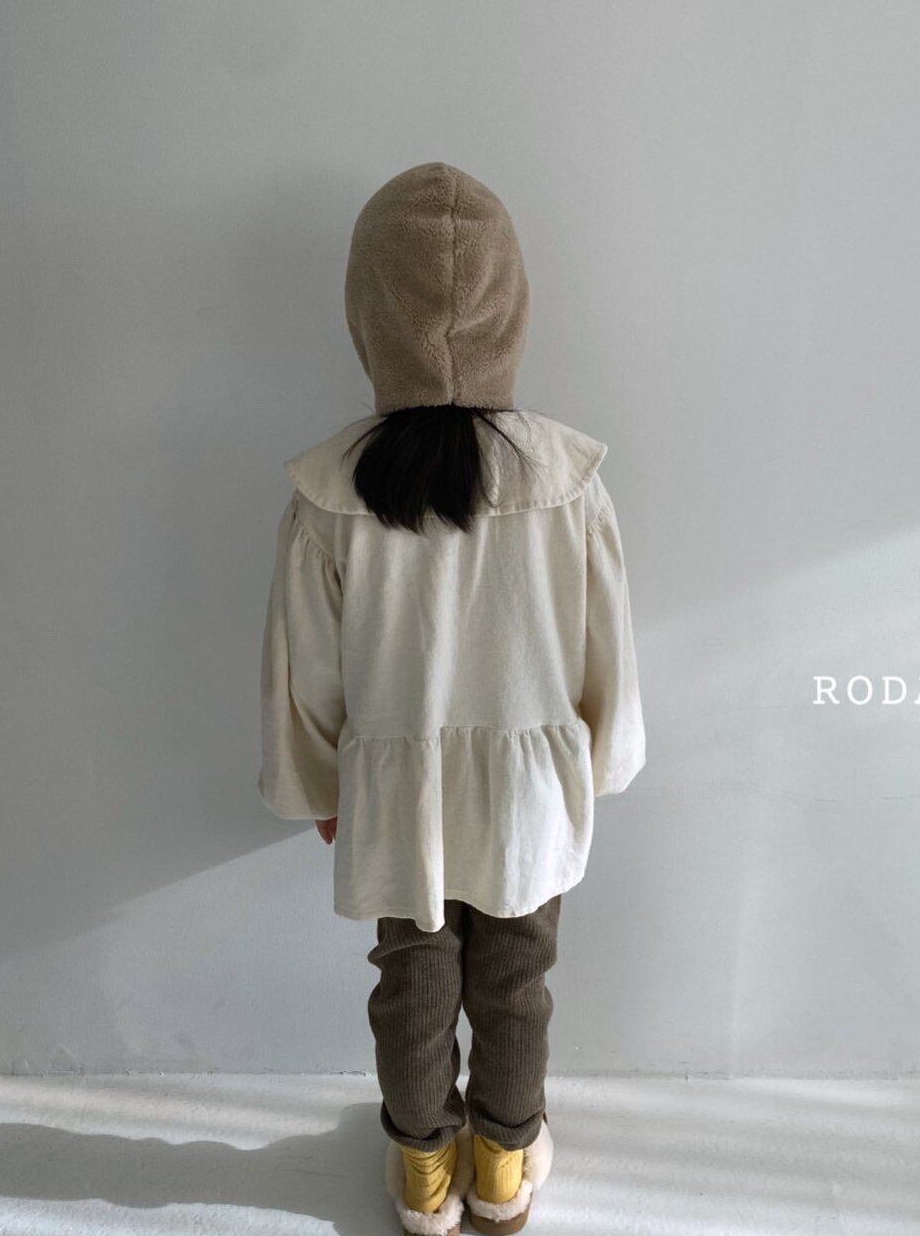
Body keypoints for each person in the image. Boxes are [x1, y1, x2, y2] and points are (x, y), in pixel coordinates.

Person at [258, 162, 645, 1236]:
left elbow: (305, 662)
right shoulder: (566, 477)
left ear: (366, 312)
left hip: (399, 785)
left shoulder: (332, 489)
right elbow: (605, 642)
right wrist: (600, 761)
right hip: (530, 783)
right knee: (517, 976)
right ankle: (503, 1166)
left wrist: (321, 784)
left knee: (412, 972)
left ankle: (423, 1168)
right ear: (511, 303)